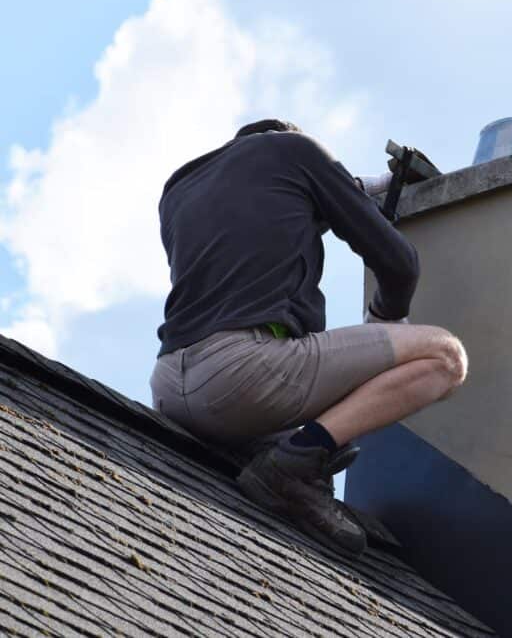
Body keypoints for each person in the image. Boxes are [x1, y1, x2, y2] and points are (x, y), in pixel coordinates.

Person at [149, 119, 468, 556]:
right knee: (445, 358)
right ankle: (297, 466)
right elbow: (399, 264)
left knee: (285, 433)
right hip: (242, 378)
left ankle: (290, 453)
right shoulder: (295, 149)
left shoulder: (180, 190)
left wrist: (344, 191)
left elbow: (262, 223)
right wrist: (385, 324)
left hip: (170, 388)